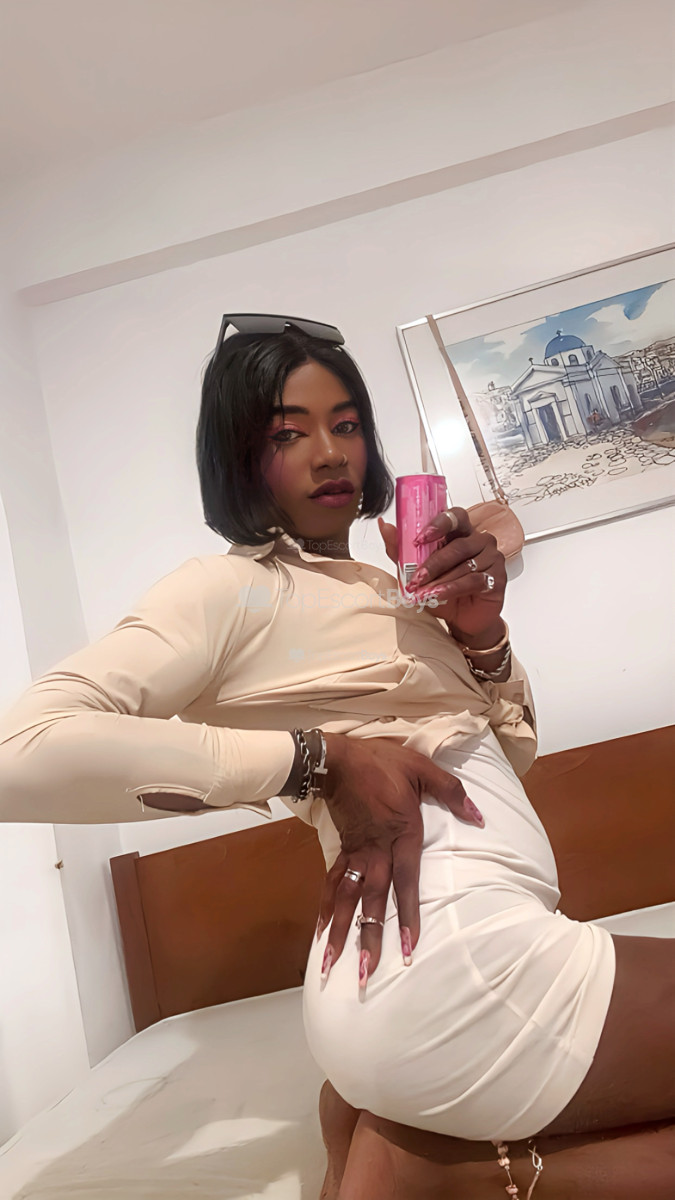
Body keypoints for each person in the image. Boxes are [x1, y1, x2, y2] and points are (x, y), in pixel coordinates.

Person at [0, 315, 673, 1199]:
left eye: (345, 423)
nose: (329, 453)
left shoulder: (391, 589)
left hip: (427, 970)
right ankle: (448, 1173)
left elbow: (499, 760)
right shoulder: (230, 589)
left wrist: (479, 637)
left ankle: (400, 1142)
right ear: (239, 457)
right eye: (287, 433)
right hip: (459, 967)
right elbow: (20, 754)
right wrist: (314, 760)